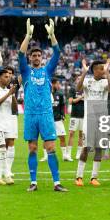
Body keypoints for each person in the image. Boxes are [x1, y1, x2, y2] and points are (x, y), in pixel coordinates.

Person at [18, 18, 68, 192]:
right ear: (30, 58)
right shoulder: (25, 72)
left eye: (39, 55)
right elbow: (19, 54)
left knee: (51, 148)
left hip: (46, 114)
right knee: (32, 148)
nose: (37, 57)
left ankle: (57, 183)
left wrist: (52, 35)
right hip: (31, 115)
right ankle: (33, 182)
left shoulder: (47, 70)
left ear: (42, 57)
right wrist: (28, 36)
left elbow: (57, 53)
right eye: (34, 55)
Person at [75, 59, 110, 187]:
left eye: (103, 68)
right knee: (86, 147)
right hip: (89, 119)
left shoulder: (104, 82)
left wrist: (108, 73)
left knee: (99, 148)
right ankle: (79, 177)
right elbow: (78, 87)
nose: (102, 70)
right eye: (100, 68)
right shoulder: (88, 81)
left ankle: (94, 177)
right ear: (94, 70)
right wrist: (84, 72)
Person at [50, 78, 72, 161]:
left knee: (62, 137)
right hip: (48, 120)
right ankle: (46, 156)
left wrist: (63, 115)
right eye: (57, 83)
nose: (59, 85)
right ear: (53, 84)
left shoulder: (60, 94)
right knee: (47, 138)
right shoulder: (46, 93)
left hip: (58, 119)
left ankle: (65, 156)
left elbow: (62, 105)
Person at [67, 75, 85, 160]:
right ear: (76, 80)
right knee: (71, 133)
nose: (80, 80)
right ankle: (68, 154)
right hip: (74, 115)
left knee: (81, 135)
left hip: (84, 115)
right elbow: (70, 101)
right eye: (79, 79)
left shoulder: (86, 89)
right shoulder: (73, 89)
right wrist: (81, 98)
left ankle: (78, 154)